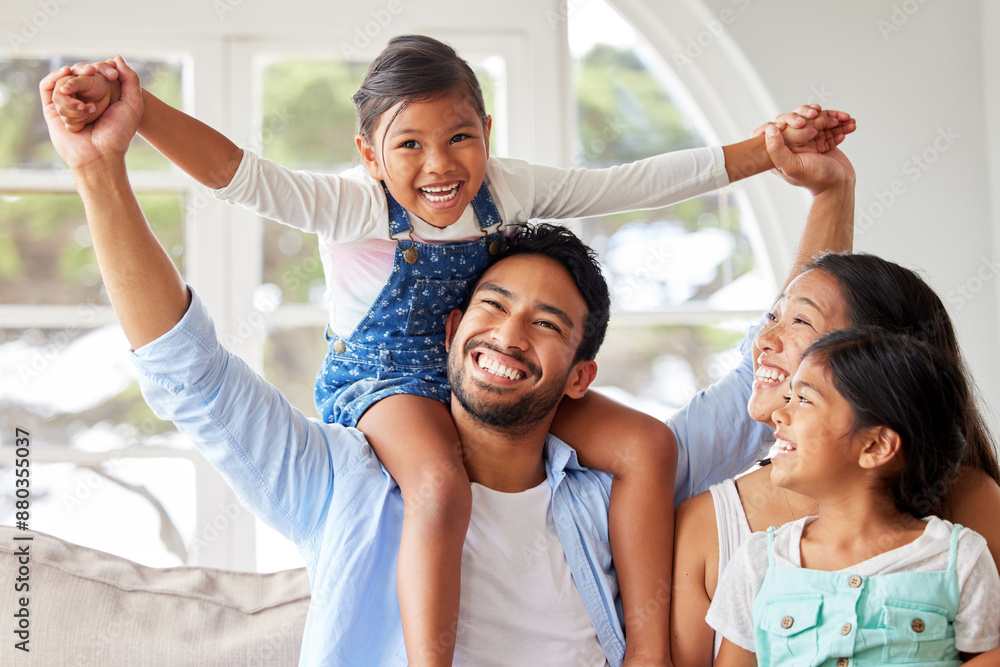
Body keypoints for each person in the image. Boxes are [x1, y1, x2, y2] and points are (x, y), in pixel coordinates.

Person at [46, 37, 856, 664]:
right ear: (452, 328)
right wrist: (118, 145)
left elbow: (778, 355)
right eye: (492, 303)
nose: (508, 332)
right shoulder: (346, 484)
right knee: (435, 481)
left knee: (643, 439)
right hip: (381, 381)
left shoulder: (617, 489)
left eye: (548, 322)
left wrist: (805, 175)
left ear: (581, 372)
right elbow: (198, 335)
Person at [670, 250, 1000, 663]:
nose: (763, 340)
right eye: (773, 317)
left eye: (800, 321)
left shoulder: (967, 508)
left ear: (880, 358)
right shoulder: (710, 527)